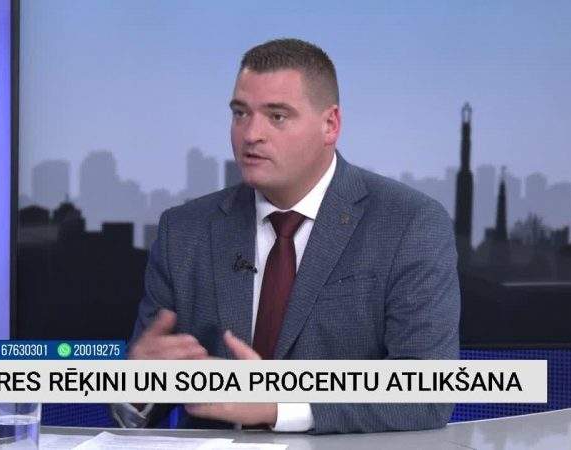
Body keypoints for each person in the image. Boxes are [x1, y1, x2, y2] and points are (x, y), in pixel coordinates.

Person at [114, 38, 460, 434]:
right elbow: (138, 408)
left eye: (276, 116)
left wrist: (278, 404)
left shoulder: (409, 224)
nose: (251, 134)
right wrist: (136, 388)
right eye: (240, 113)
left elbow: (426, 393)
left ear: (330, 125)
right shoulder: (184, 231)